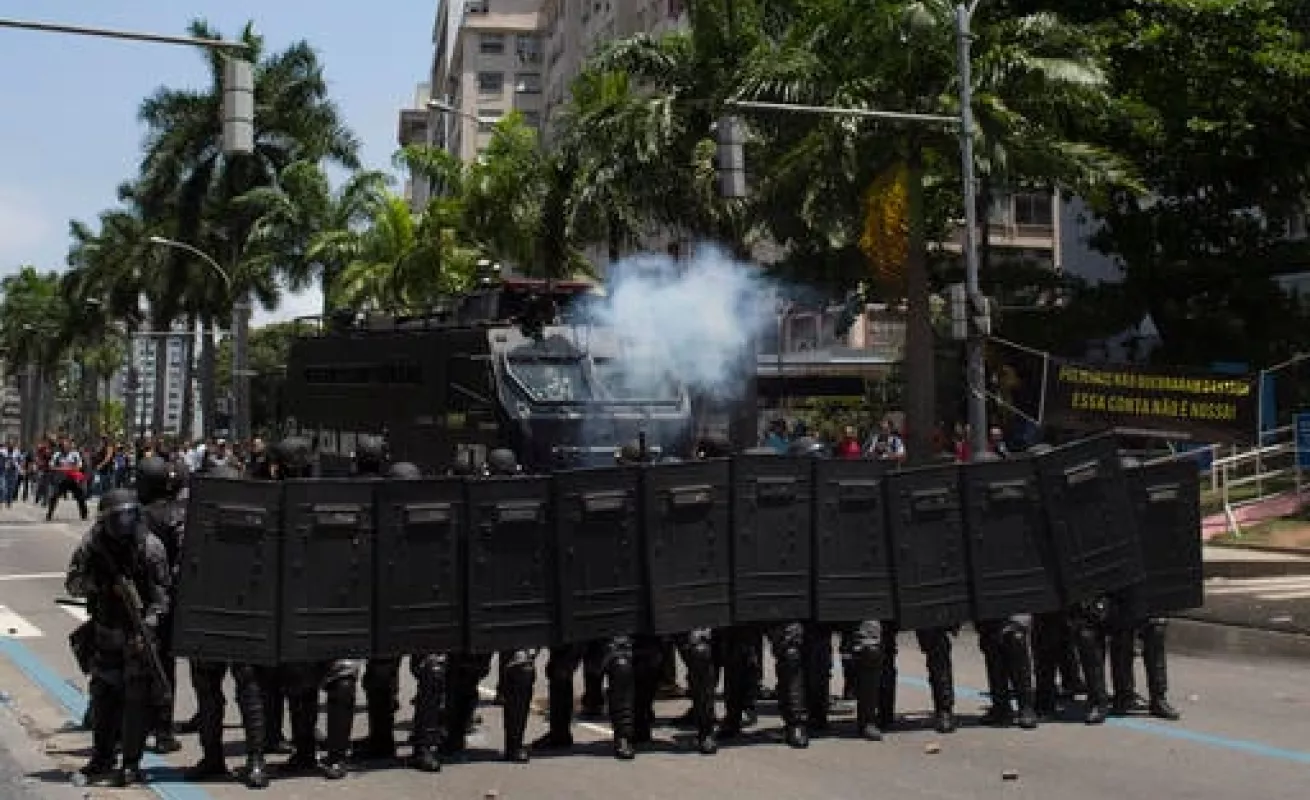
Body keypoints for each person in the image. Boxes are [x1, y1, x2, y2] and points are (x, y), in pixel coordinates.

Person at [64, 489, 171, 787]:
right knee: (103, 696)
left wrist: (147, 628)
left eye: (129, 516)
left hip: (138, 637)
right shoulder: (92, 544)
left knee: (135, 699)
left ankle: (131, 764)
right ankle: (102, 757)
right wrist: (99, 583)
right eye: (117, 518)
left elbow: (162, 599)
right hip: (105, 632)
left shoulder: (150, 547)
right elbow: (72, 583)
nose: (124, 523)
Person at [789, 437, 886, 742]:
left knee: (870, 646)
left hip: (852, 590)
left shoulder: (851, 488)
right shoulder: (790, 500)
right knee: (809, 654)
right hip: (810, 597)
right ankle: (813, 715)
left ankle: (867, 718)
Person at [182, 463, 272, 789]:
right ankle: (226, 758)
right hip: (215, 612)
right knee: (219, 688)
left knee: (237, 688)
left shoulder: (202, 520)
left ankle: (250, 758)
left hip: (236, 612)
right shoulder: (257, 516)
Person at [446, 448, 539, 763]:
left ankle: (456, 738)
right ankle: (514, 747)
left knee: (467, 671)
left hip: (485, 597)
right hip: (513, 597)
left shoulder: (472, 499)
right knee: (519, 670)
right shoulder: (531, 501)